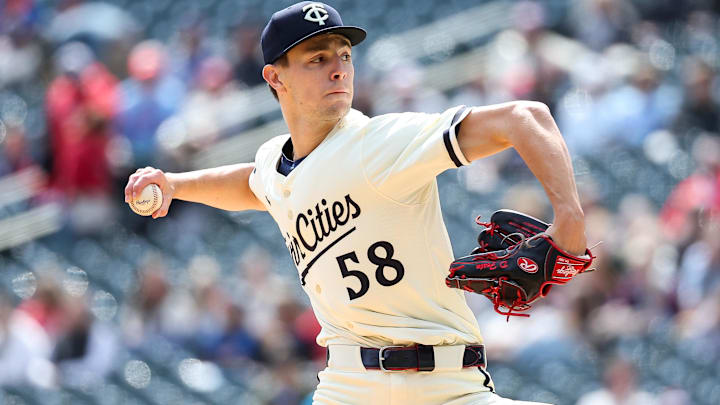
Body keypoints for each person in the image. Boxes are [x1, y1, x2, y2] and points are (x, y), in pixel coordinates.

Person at [124, 2, 587, 404]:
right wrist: (175, 183)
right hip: (347, 386)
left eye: (344, 55)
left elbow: (527, 117)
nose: (339, 68)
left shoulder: (377, 143)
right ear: (274, 76)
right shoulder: (273, 161)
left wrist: (569, 218)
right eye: (317, 58)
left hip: (446, 386)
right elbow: (251, 183)